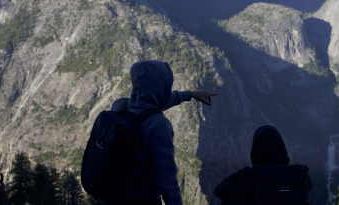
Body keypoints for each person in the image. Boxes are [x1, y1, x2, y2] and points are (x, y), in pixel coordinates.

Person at [124, 60, 217, 205]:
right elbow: (167, 181)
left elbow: (160, 101)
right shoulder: (158, 125)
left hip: (118, 195)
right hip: (143, 199)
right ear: (161, 87)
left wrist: (190, 94)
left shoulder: (124, 106)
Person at [214, 125, 312, 205]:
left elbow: (219, 190)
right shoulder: (299, 175)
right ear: (282, 148)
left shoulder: (247, 176)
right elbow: (309, 187)